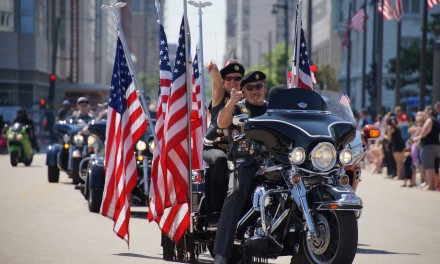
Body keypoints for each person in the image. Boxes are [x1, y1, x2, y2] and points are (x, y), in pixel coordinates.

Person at [213, 70, 268, 264]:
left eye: (258, 86)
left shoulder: (273, 110)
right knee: (235, 193)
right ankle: (221, 254)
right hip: (244, 162)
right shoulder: (237, 108)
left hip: (270, 163)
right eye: (250, 88)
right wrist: (232, 101)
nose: (255, 91)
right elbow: (221, 122)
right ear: (243, 90)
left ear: (265, 88)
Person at [203, 61, 245, 229]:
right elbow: (217, 83)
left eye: (237, 78)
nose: (233, 82)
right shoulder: (220, 95)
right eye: (228, 78)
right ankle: (215, 215)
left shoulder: (247, 97)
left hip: (239, 150)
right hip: (215, 147)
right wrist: (214, 71)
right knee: (219, 161)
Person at [412, 107, 440, 191]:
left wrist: (418, 137)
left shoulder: (429, 120)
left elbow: (425, 131)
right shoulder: (436, 121)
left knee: (428, 166)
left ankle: (430, 185)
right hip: (436, 145)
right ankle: (434, 185)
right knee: (434, 167)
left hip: (428, 146)